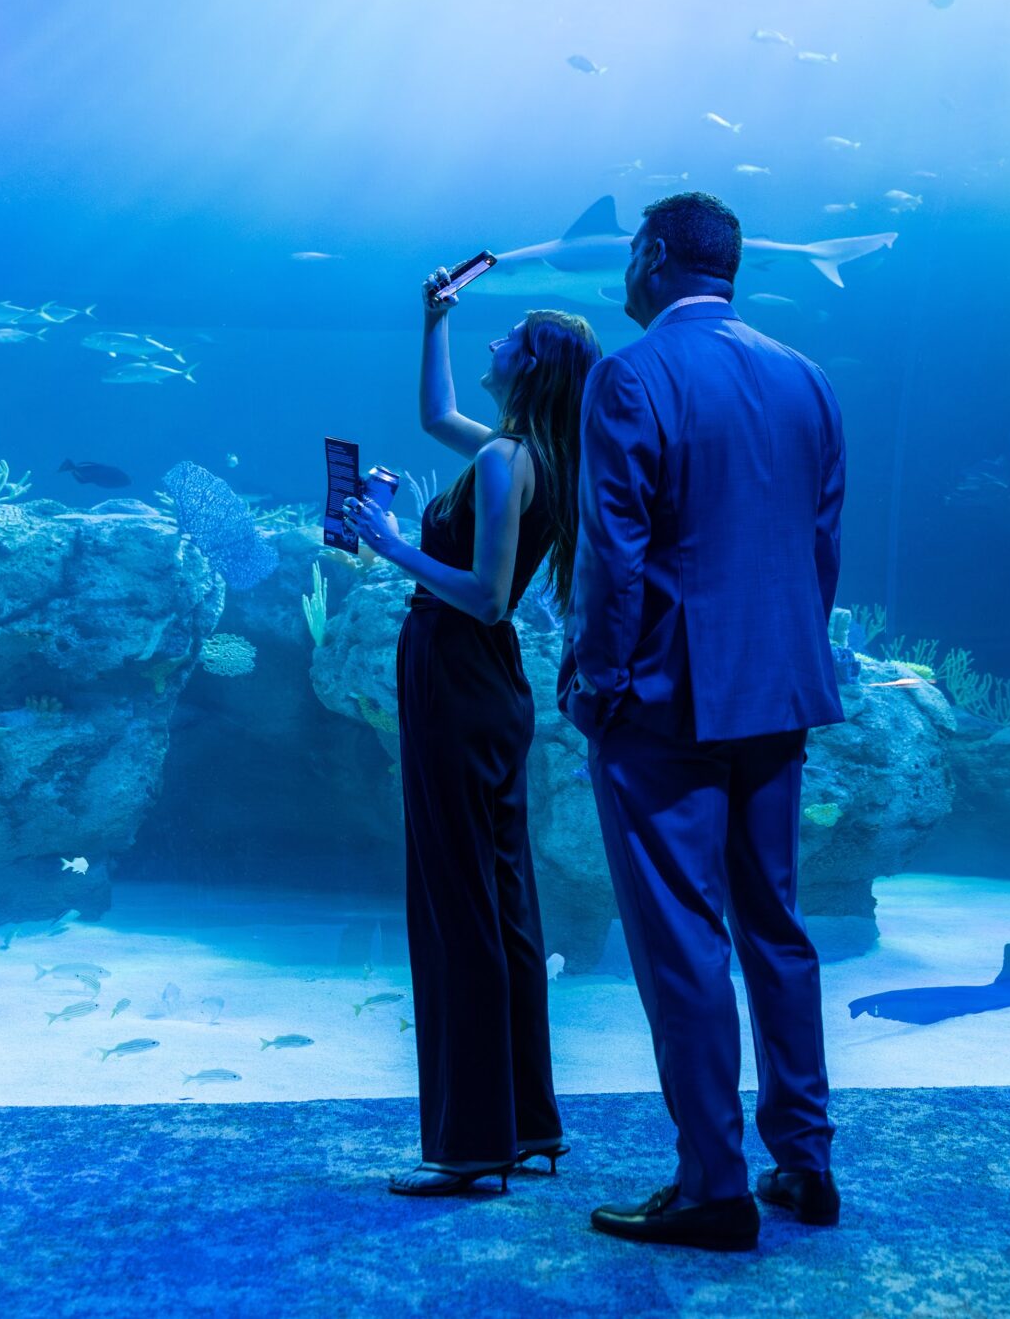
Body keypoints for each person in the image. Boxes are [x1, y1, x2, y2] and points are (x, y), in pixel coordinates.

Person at [560, 191, 847, 1251]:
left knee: (683, 939)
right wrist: (783, 663)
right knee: (776, 928)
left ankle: (713, 1184)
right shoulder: (805, 377)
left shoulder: (630, 375)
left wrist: (599, 678)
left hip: (668, 701)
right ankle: (806, 1163)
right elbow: (819, 551)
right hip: (776, 695)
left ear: (650, 256)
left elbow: (615, 552)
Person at [342, 273, 602, 1198]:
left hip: (459, 673)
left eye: (509, 336)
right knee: (502, 902)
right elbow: (433, 410)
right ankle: (524, 1124)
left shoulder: (503, 462)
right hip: (484, 687)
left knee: (456, 902)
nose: (496, 342)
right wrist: (433, 320)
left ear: (530, 365)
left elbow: (490, 598)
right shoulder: (527, 454)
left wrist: (388, 541)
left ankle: (469, 1144)